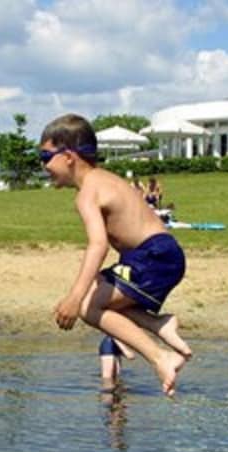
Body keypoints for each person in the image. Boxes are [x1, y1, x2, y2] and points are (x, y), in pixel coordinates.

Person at [40, 113, 190, 396]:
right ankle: (159, 323)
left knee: (87, 306)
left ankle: (161, 357)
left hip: (153, 256)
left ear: (68, 155)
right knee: (98, 286)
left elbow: (98, 245)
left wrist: (73, 298)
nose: (44, 165)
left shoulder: (87, 194)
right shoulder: (105, 179)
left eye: (45, 156)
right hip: (158, 254)